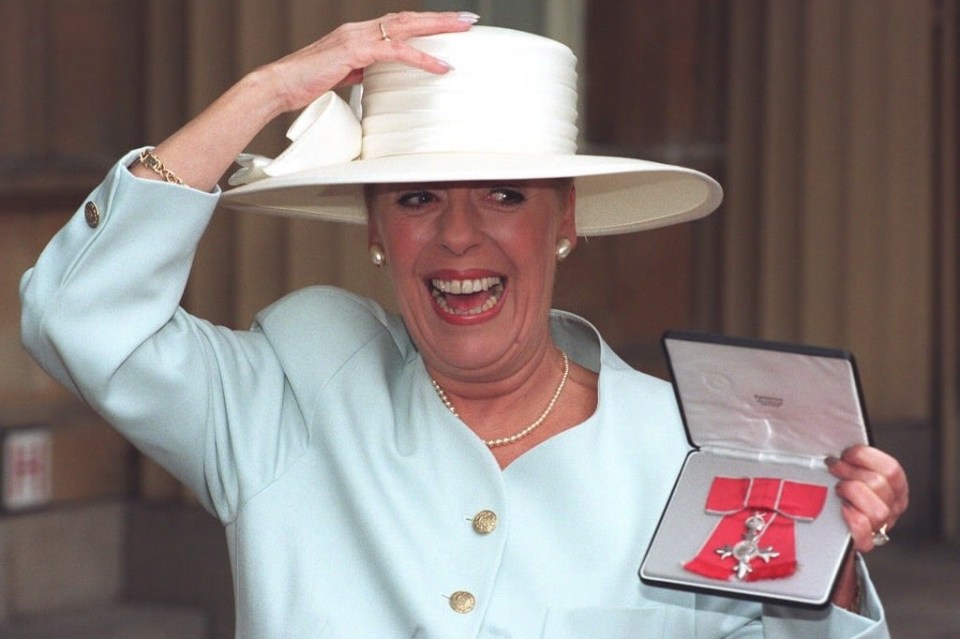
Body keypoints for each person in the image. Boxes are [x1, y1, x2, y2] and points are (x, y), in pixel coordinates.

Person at [20, 11, 907, 638]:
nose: (456, 236)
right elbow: (76, 314)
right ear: (375, 229)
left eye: (504, 195)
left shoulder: (686, 453)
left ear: (566, 218)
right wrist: (265, 89)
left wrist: (826, 567)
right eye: (415, 198)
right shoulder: (287, 399)